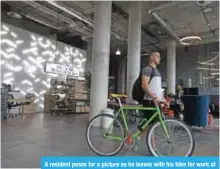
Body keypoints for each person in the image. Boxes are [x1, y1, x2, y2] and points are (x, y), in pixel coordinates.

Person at [140, 51, 168, 125]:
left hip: (155, 101)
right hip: (149, 101)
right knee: (150, 125)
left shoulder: (157, 72)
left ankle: (147, 136)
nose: (160, 58)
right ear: (152, 57)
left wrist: (163, 100)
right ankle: (144, 136)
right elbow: (144, 85)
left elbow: (157, 89)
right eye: (157, 56)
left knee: (151, 125)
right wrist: (154, 97)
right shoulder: (147, 69)